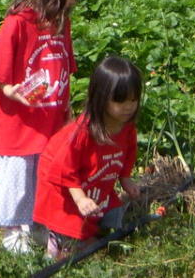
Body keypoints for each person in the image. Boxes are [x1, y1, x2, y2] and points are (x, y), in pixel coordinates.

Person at [0, 0, 89, 254]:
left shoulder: (61, 22)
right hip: (20, 120)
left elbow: (64, 65)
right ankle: (14, 231)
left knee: (46, 175)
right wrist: (11, 90)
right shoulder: (18, 22)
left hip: (51, 116)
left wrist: (66, 108)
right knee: (17, 177)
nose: (74, 2)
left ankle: (41, 224)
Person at [34, 57, 142, 259]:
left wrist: (125, 178)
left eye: (133, 100)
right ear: (101, 98)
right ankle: (56, 238)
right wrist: (79, 197)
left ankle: (84, 234)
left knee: (111, 220)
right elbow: (64, 168)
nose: (129, 106)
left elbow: (129, 153)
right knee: (74, 235)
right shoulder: (82, 132)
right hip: (64, 190)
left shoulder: (126, 128)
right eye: (120, 100)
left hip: (96, 185)